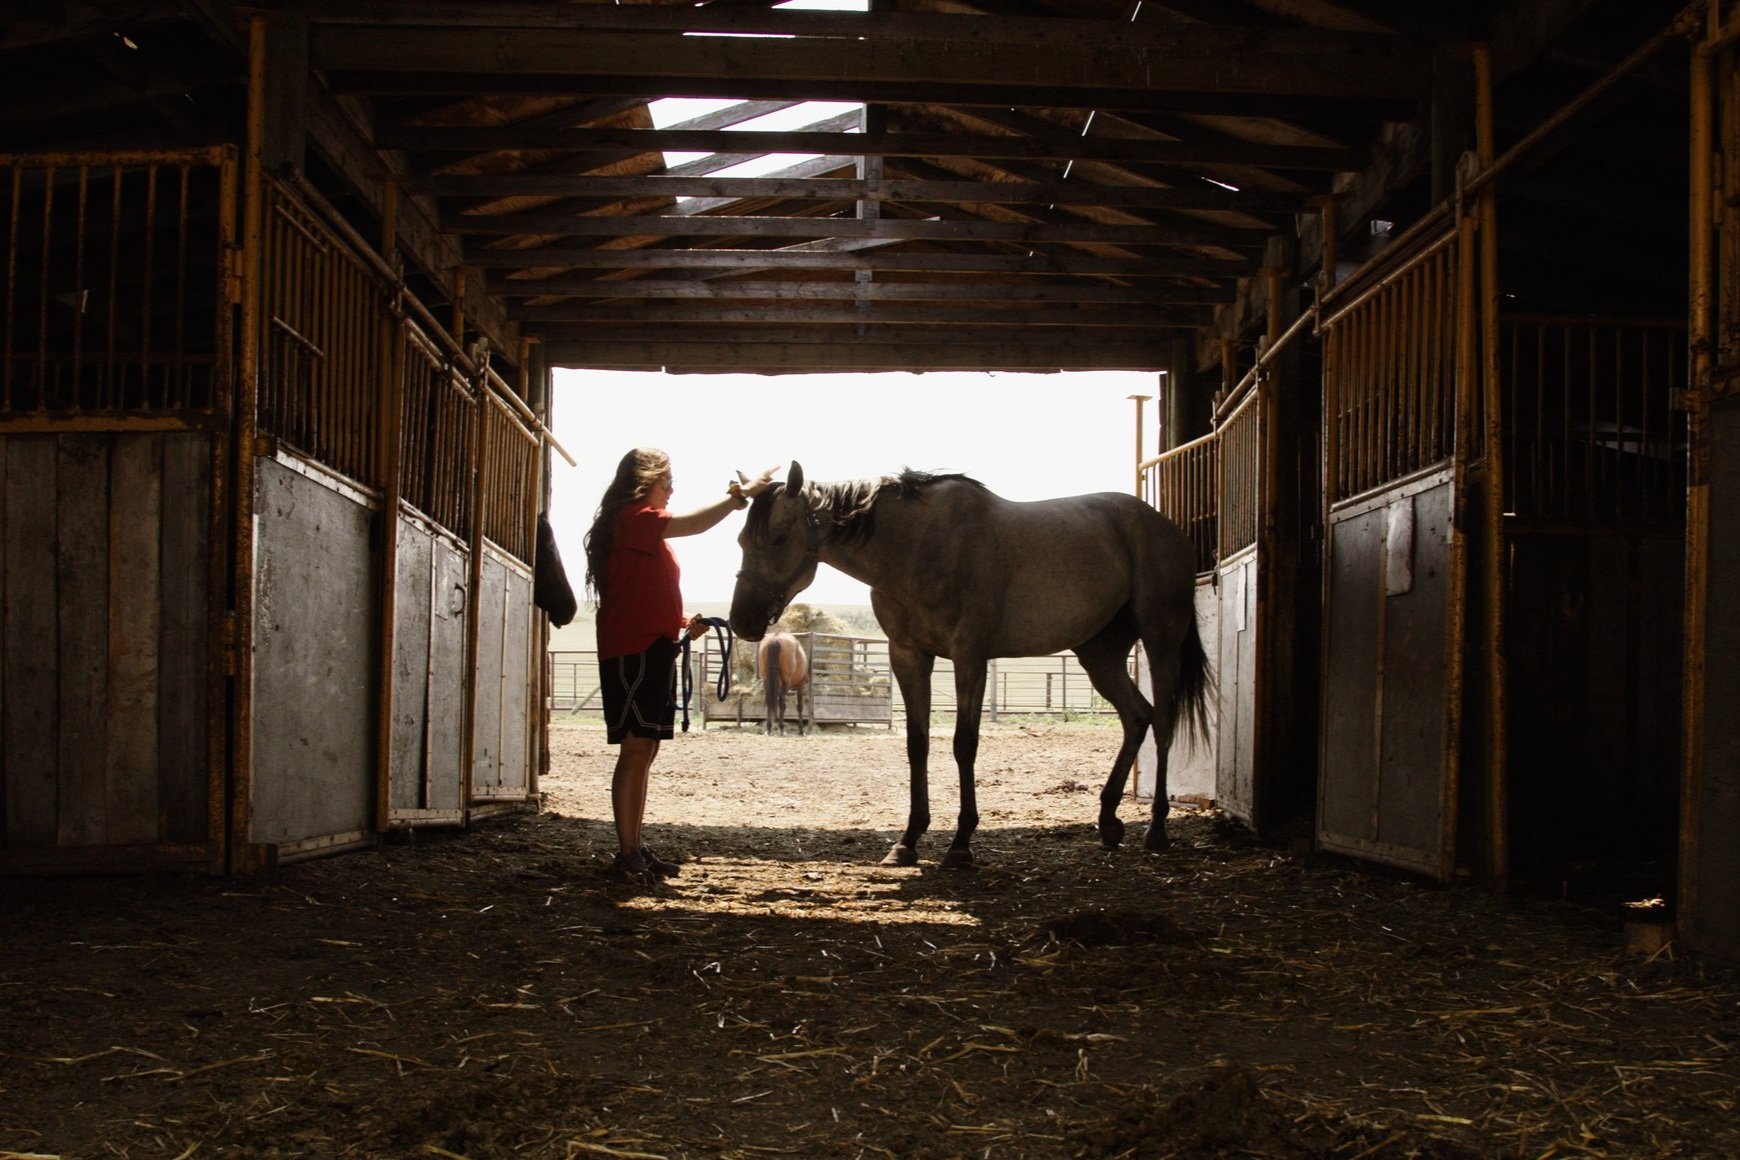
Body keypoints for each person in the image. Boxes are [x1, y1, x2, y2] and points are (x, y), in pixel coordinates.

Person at [582, 448, 777, 885]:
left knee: (644, 750)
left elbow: (642, 592)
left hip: (651, 649)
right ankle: (627, 851)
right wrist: (738, 496)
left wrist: (683, 623)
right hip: (633, 653)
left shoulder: (640, 529)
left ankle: (633, 846)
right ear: (644, 480)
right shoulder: (633, 519)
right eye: (666, 480)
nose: (671, 488)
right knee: (636, 750)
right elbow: (696, 523)